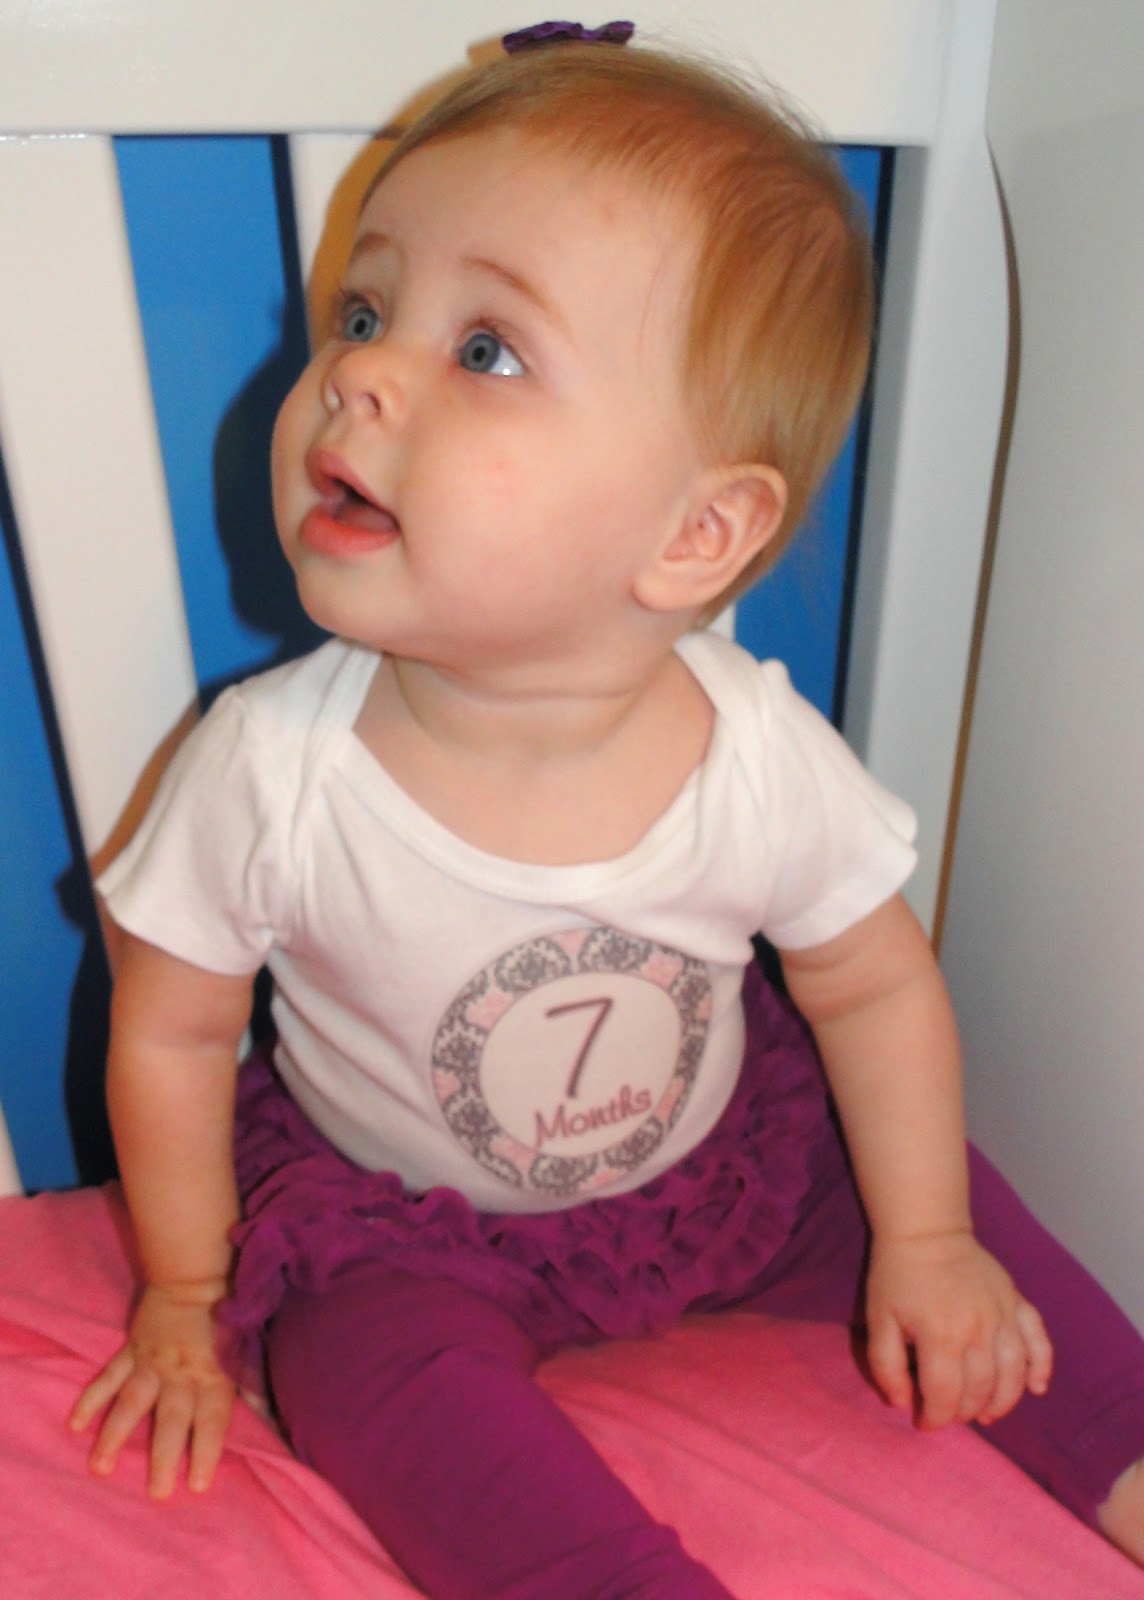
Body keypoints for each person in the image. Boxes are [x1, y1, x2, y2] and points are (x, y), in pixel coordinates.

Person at [68, 31, 1144, 1599]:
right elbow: (173, 1033)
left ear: (697, 534)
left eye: (485, 350)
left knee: (957, 1211)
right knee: (358, 1372)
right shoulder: (271, 771)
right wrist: (183, 1292)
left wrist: (922, 1245)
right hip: (403, 1229)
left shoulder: (753, 749)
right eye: (364, 313)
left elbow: (870, 987)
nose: (357, 370)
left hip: (736, 1172)